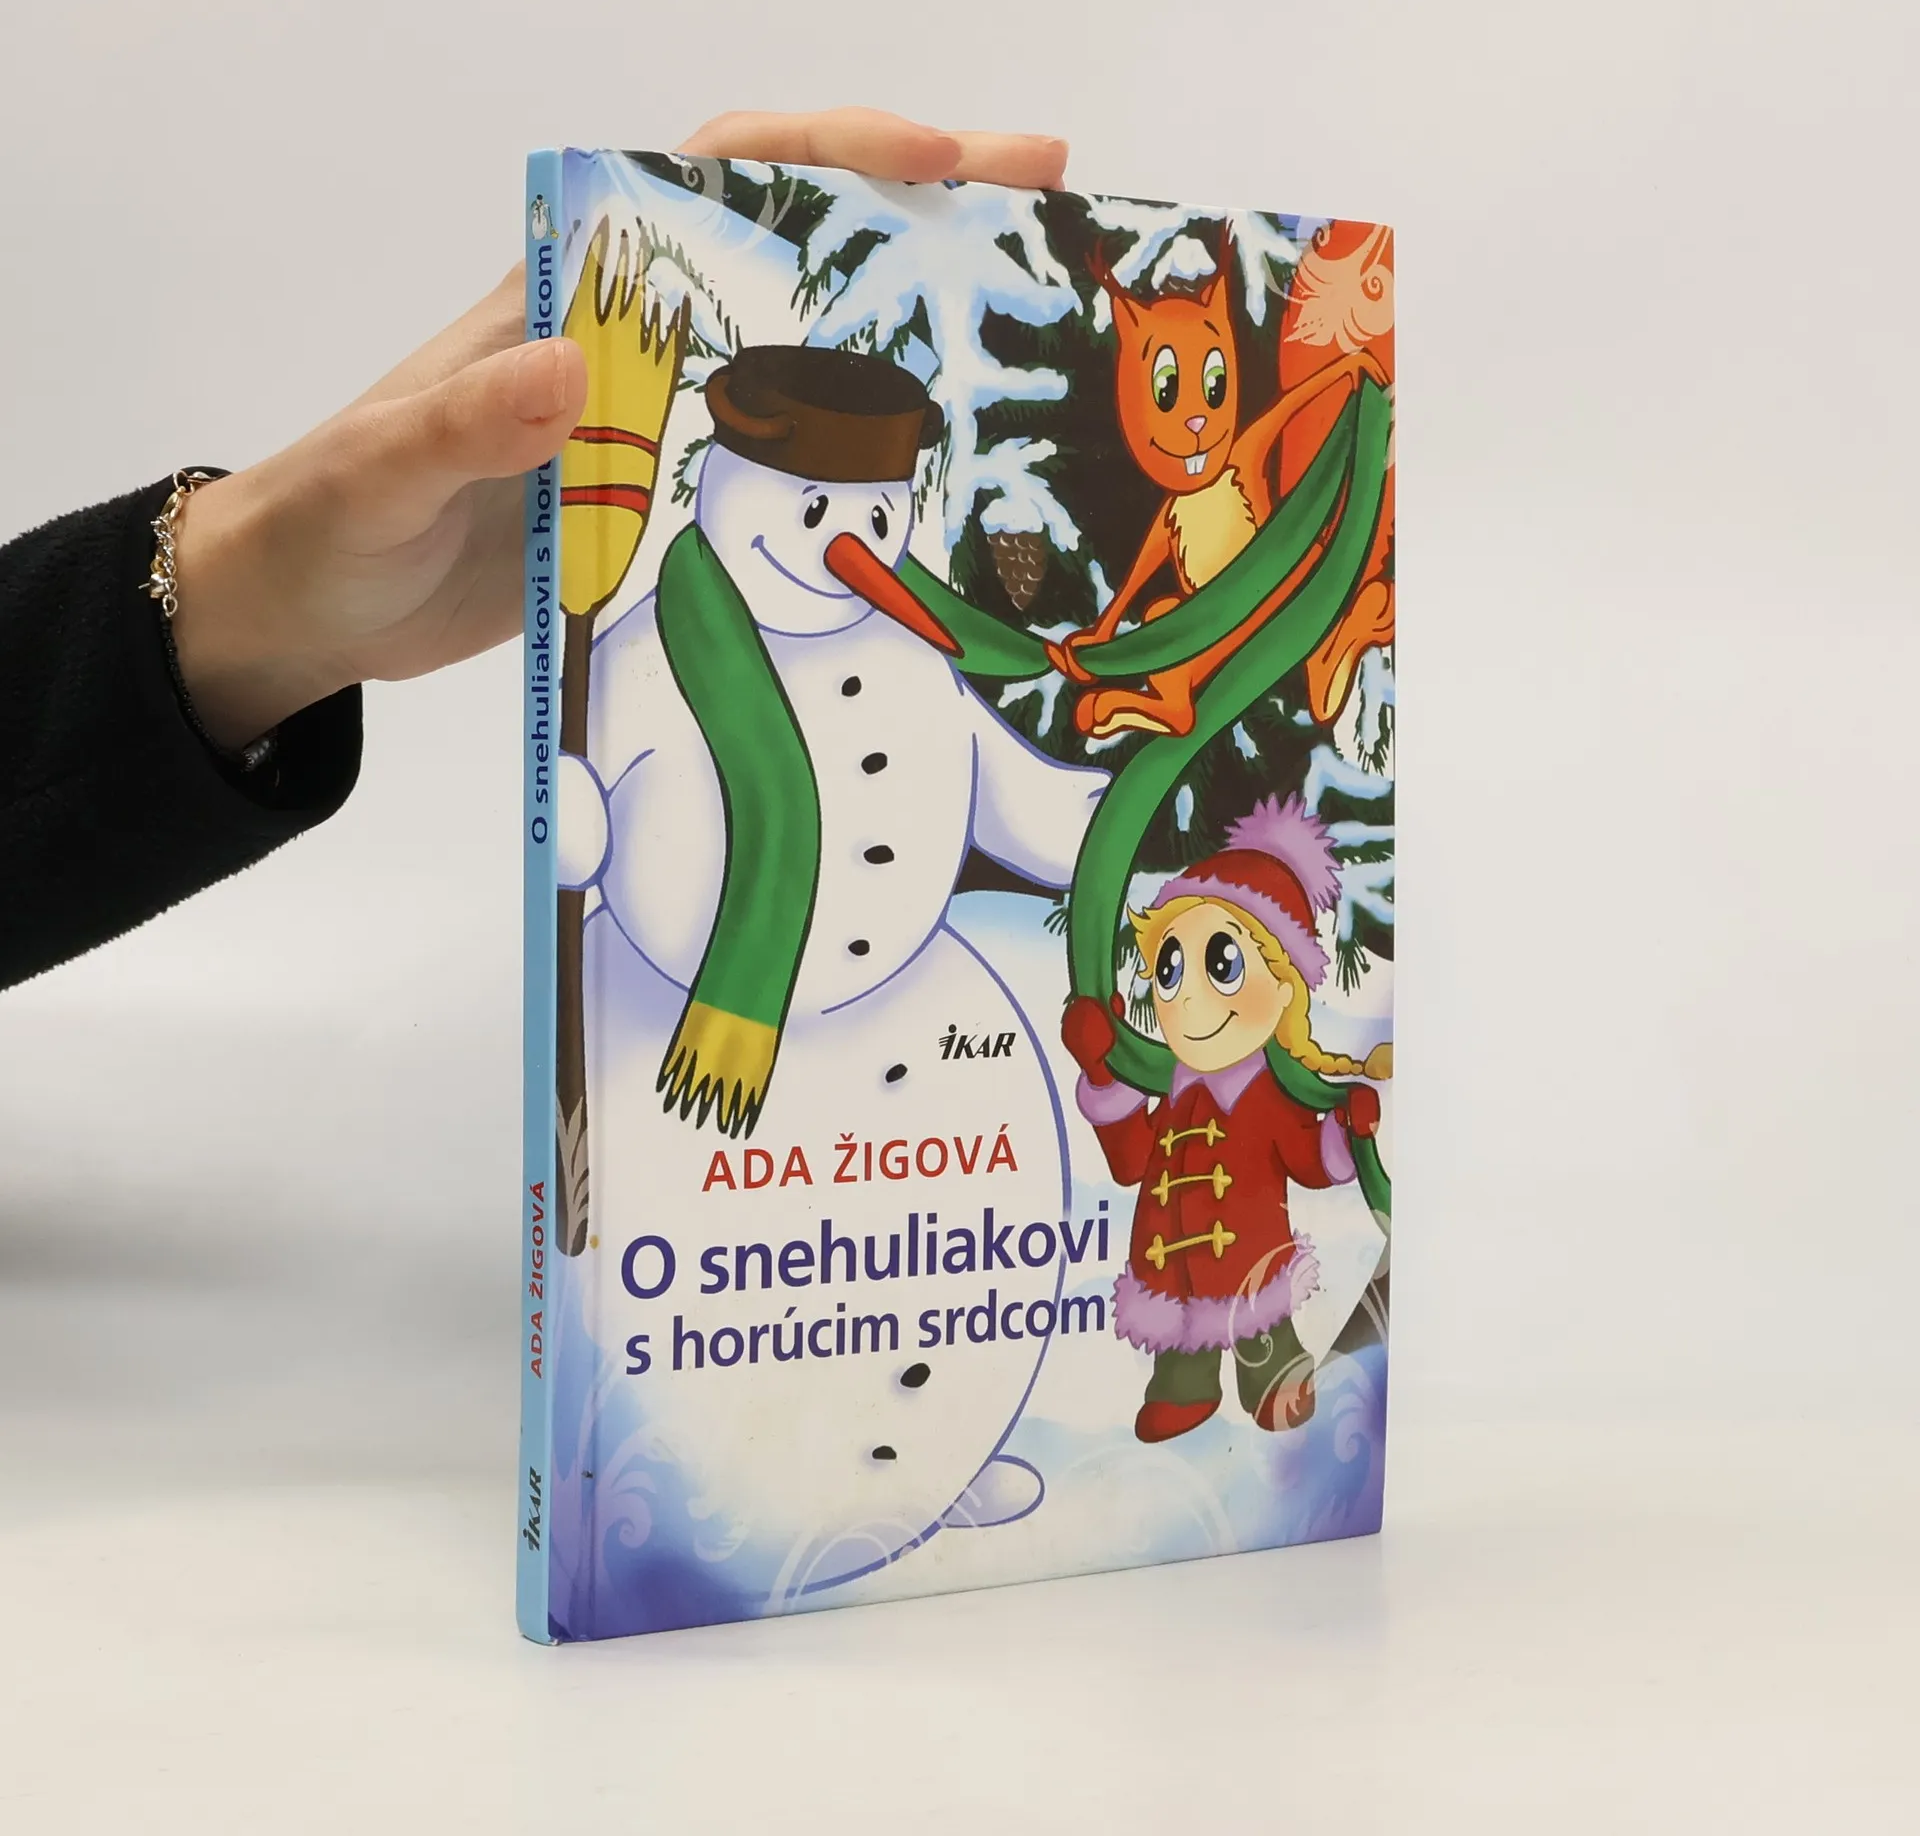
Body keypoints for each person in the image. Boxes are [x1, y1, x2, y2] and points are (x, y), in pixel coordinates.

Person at [0, 110, 1068, 991]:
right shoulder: (655, 637)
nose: (851, 548)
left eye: (875, 520)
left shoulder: (922, 655)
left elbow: (1013, 791)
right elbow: (587, 831)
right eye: (817, 508)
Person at [1059, 793, 1391, 1442]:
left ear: (1283, 987)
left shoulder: (1268, 1093)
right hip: (1167, 1268)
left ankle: (1272, 1379)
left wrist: (1346, 1132)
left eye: (1222, 964)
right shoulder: (1173, 1090)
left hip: (1249, 1263)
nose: (1186, 997)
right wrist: (1101, 1071)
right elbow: (1131, 1162)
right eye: (1170, 968)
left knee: (1262, 1332)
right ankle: (1183, 1386)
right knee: (1179, 1346)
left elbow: (1308, 1159)